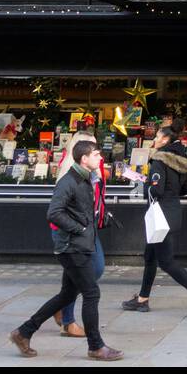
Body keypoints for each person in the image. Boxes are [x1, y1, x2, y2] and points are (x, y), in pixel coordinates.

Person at [10, 140, 123, 361]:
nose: (101, 158)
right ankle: (96, 347)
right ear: (84, 159)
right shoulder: (68, 181)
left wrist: (98, 221)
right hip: (71, 247)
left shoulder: (86, 179)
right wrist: (79, 228)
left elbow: (81, 210)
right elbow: (53, 213)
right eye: (96, 155)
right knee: (91, 293)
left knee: (67, 294)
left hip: (80, 245)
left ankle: (23, 332)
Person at [122, 125, 187, 318]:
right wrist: (173, 193)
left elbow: (157, 190)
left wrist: (145, 183)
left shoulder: (159, 160)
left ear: (164, 140)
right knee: (150, 257)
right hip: (173, 212)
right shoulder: (181, 161)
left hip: (159, 216)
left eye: (156, 136)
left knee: (166, 261)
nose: (154, 139)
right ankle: (142, 299)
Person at [50, 131, 115, 339]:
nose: (98, 154)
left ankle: (60, 309)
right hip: (73, 234)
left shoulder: (93, 172)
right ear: (80, 154)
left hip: (88, 229)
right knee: (90, 275)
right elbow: (56, 212)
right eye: (92, 149)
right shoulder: (69, 176)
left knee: (80, 275)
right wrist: (81, 229)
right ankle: (68, 321)